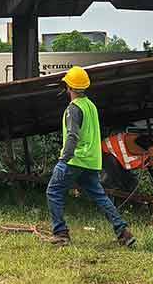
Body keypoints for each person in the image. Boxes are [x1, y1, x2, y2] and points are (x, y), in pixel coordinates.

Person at [46, 66, 135, 247]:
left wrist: (63, 160)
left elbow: (72, 136)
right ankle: (123, 231)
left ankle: (61, 233)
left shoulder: (73, 108)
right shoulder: (90, 106)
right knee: (100, 196)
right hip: (91, 161)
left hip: (74, 160)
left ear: (68, 87)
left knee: (53, 192)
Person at [100, 131, 153, 196]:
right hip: (106, 153)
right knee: (118, 182)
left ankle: (128, 204)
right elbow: (140, 140)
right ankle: (107, 196)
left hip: (118, 162)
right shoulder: (147, 143)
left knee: (132, 183)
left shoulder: (149, 156)